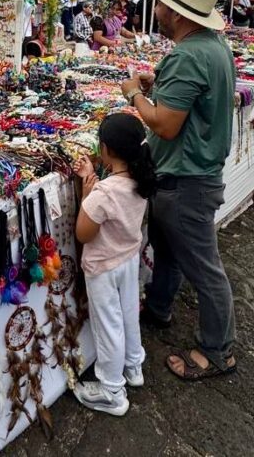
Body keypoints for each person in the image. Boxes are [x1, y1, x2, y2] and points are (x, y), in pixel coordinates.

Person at [120, 0, 237, 381]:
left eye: (161, 5)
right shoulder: (214, 46)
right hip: (190, 172)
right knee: (168, 249)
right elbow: (194, 103)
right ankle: (159, 308)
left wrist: (134, 94)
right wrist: (160, 86)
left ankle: (217, 352)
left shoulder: (188, 56)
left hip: (187, 179)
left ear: (176, 12)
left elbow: (165, 125)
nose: (156, 11)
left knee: (204, 268)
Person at [71, 113, 157, 416]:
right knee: (129, 314)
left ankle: (111, 391)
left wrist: (87, 194)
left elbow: (83, 233)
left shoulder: (104, 193)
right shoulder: (141, 179)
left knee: (108, 325)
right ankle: (133, 366)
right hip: (128, 259)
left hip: (104, 267)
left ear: (105, 149)